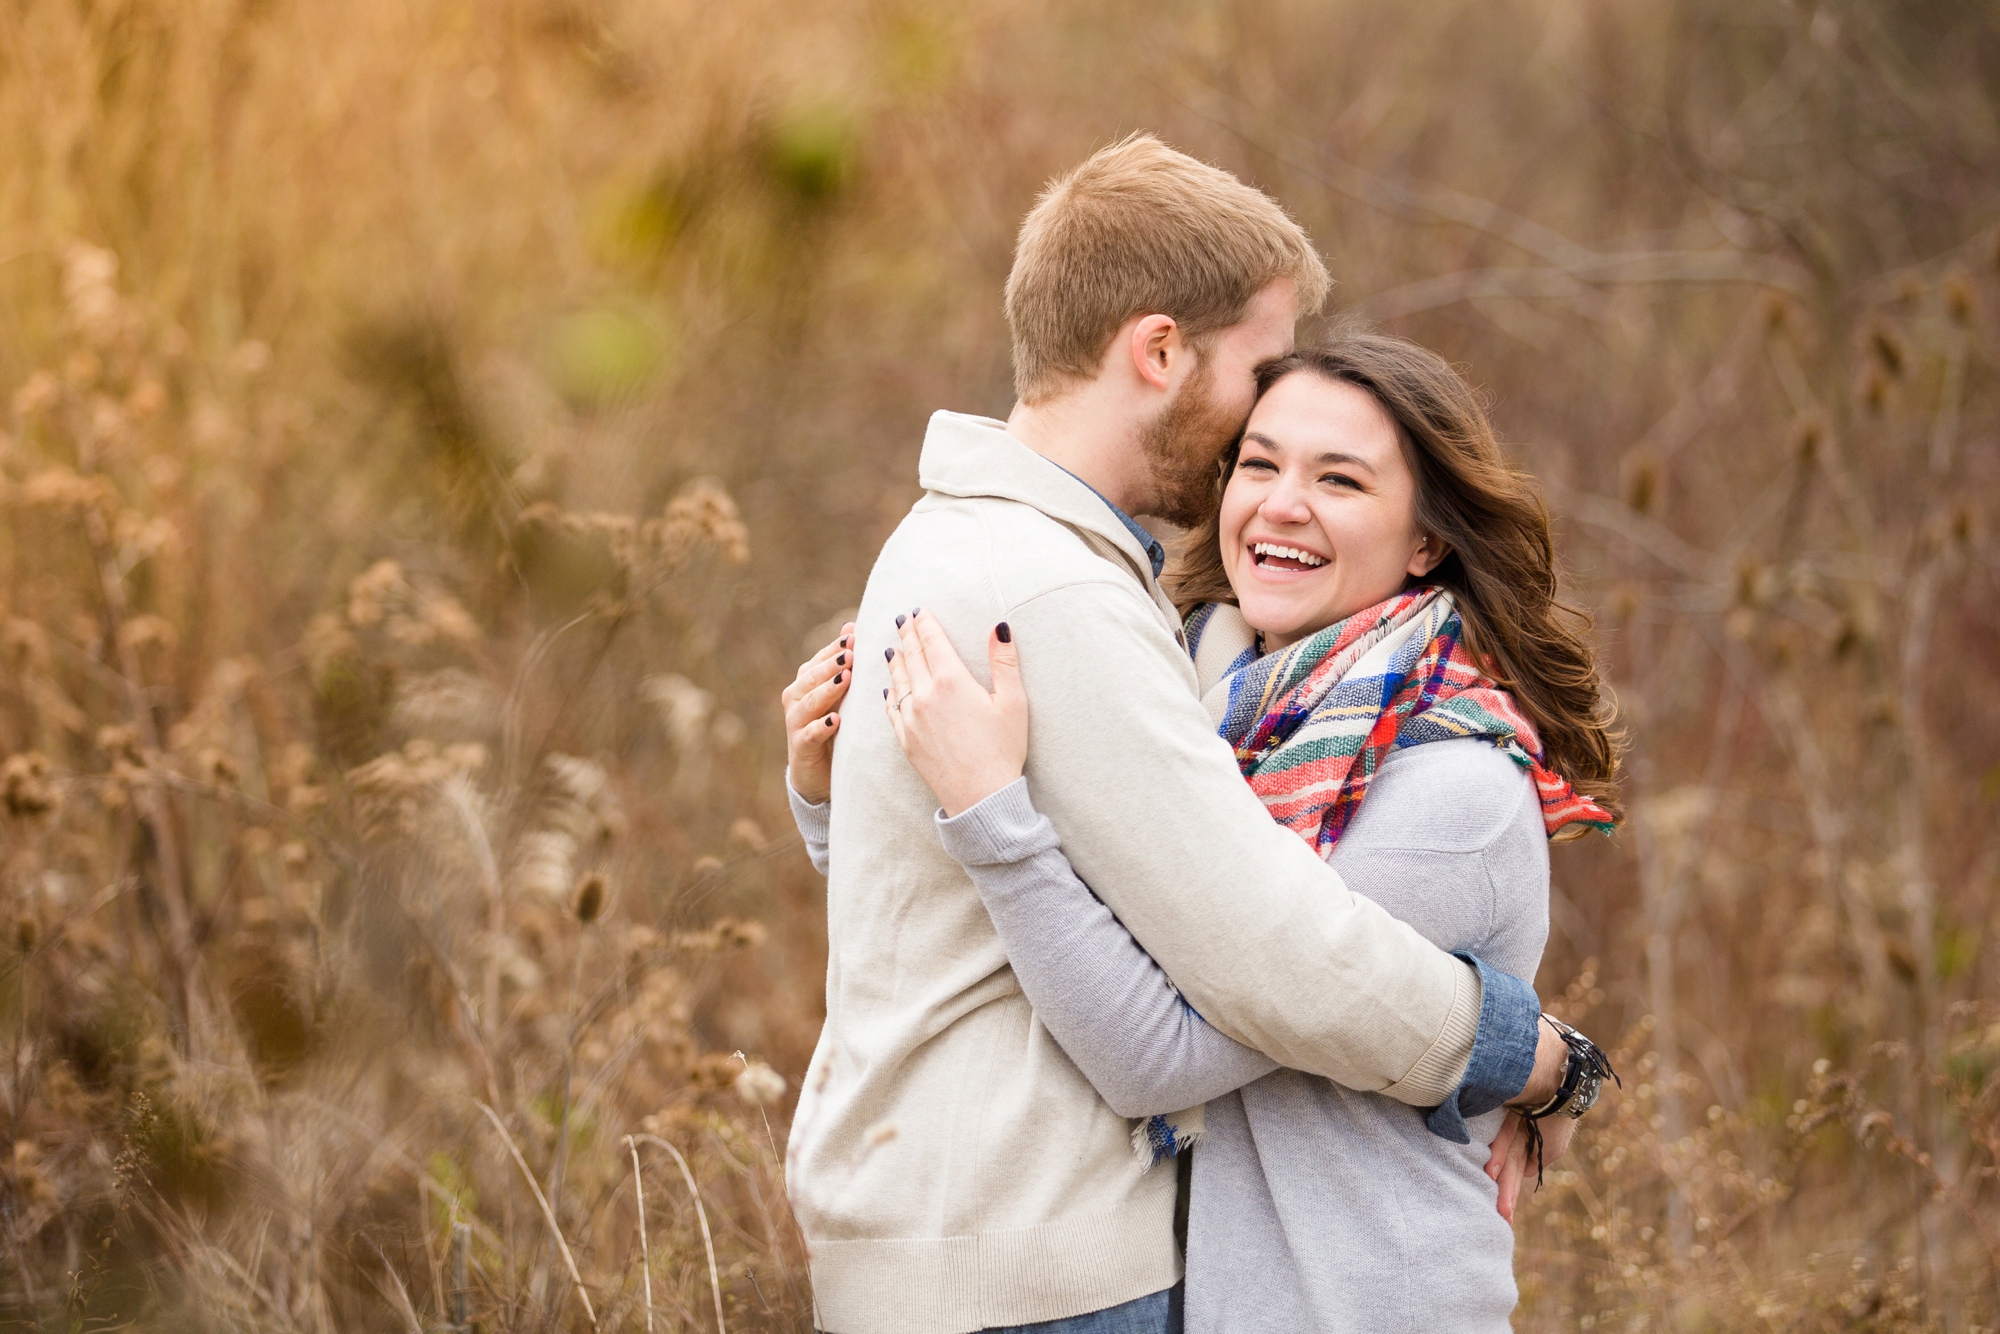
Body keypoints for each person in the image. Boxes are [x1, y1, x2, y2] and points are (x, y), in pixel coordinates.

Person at [775, 134, 1592, 1334]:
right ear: (1158, 351)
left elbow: (1021, 892)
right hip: (1031, 1269)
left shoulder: (970, 548)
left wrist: (834, 800)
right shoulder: (1056, 594)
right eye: (1255, 387)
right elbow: (1275, 959)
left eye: (1338, 475)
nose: (1254, 452)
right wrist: (1534, 1052)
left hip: (996, 1256)